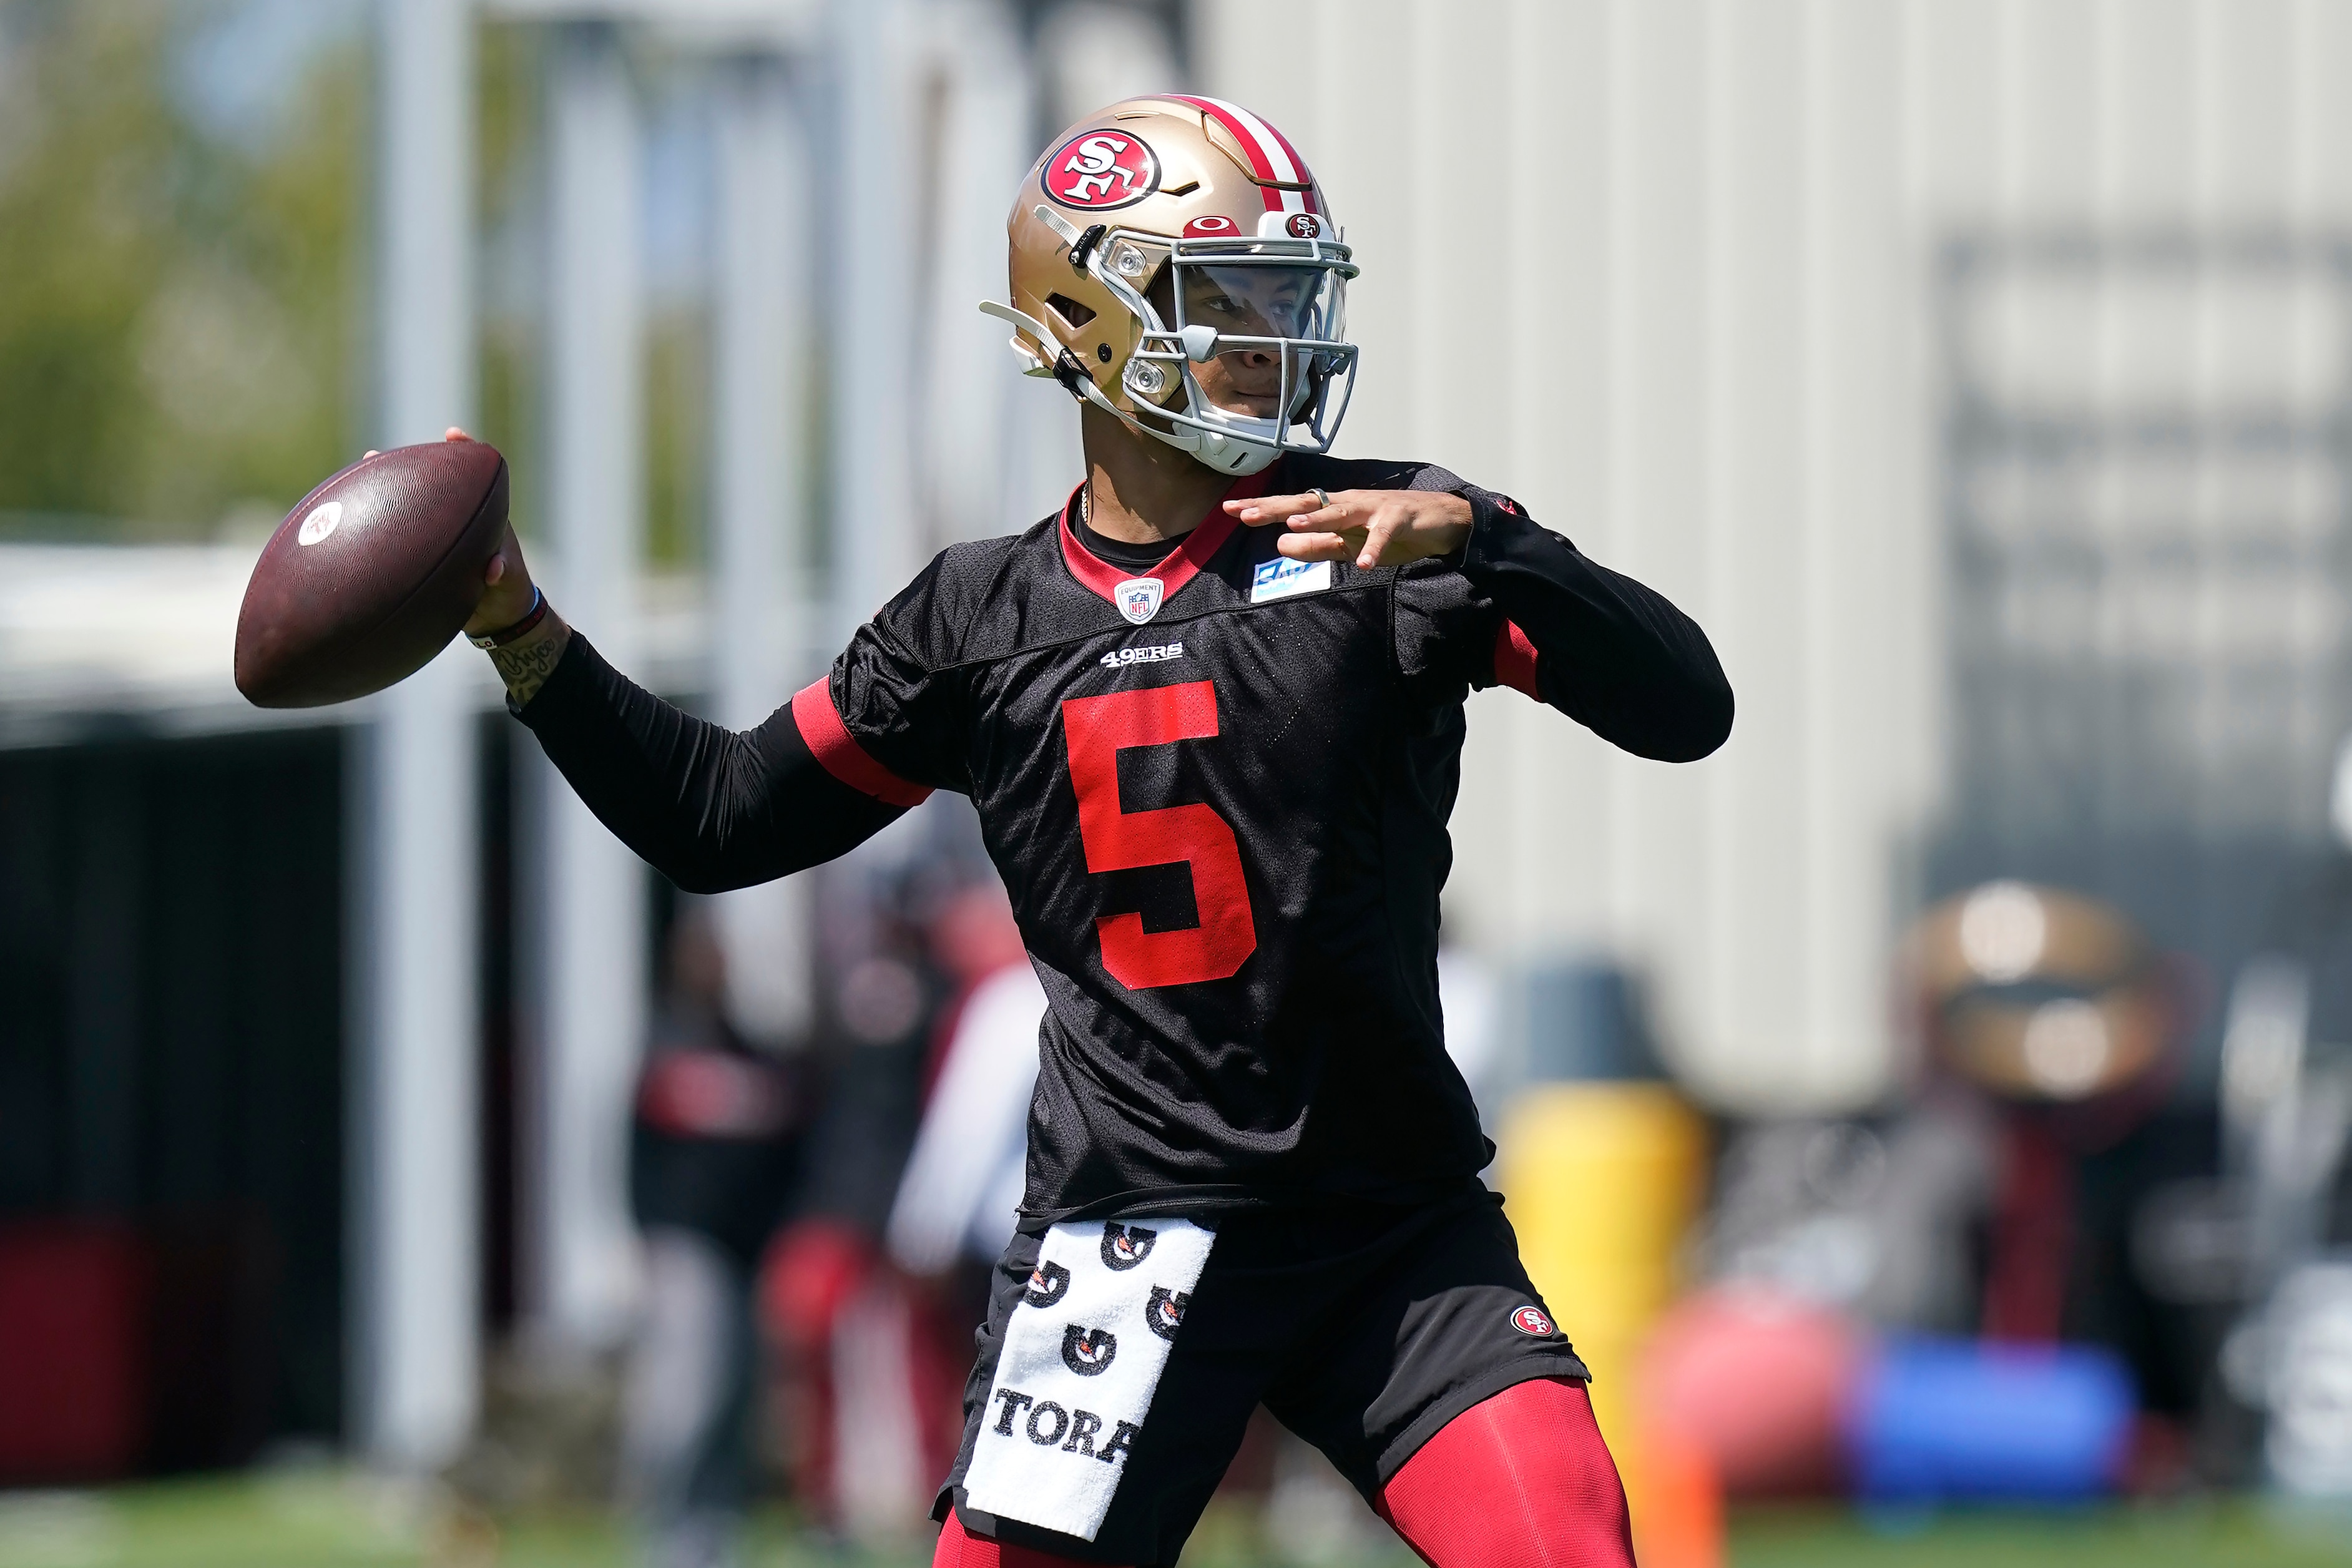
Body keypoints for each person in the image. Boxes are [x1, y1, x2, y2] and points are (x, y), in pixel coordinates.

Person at [451, 94, 1731, 1568]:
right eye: (1231, 297)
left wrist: (1500, 543)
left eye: (1288, 296)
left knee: (1567, 1541)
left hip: (1394, 1227)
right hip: (1131, 1240)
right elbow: (722, 815)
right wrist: (521, 632)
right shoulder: (977, 620)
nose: (1276, 337)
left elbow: (1684, 706)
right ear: (1092, 324)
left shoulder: (1387, 535)